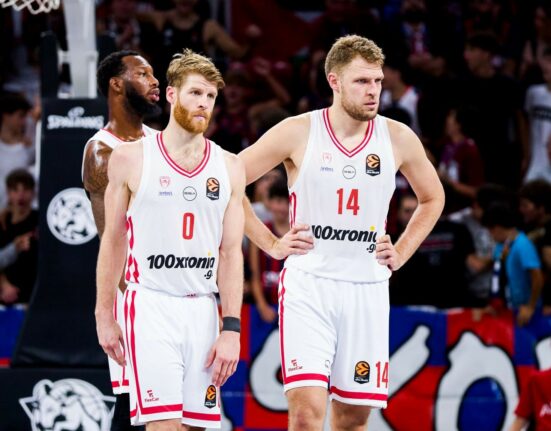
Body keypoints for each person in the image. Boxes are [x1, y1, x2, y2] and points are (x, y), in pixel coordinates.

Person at [239, 35, 445, 430]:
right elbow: (228, 182)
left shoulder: (397, 136)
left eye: (378, 81)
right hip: (309, 285)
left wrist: (402, 251)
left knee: (352, 418)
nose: (373, 91)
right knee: (305, 414)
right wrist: (271, 244)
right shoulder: (298, 131)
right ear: (334, 81)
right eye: (362, 81)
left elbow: (433, 198)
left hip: (366, 287)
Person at [95, 48, 245, 430]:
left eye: (210, 96)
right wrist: (104, 313)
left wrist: (231, 328)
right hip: (150, 305)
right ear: (173, 94)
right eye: (195, 93)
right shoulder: (130, 157)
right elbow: (113, 240)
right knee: (164, 427)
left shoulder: (230, 166)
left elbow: (231, 253)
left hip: (202, 308)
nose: (204, 103)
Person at [82, 50, 160, 431]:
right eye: (143, 74)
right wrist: (122, 311)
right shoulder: (102, 152)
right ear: (117, 84)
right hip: (139, 295)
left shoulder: (161, 141)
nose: (155, 81)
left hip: (178, 285)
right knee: (134, 408)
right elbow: (112, 241)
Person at [482, 203, 544, 327]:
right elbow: (498, 277)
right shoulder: (501, 246)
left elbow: (537, 276)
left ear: (497, 228)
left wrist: (530, 307)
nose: (490, 235)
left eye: (490, 231)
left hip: (528, 313)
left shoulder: (522, 245)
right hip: (511, 308)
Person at [249, 178, 288, 323]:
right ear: (269, 203)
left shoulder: (299, 233)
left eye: (288, 202)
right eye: (278, 201)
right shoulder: (261, 231)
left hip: (291, 308)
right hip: (264, 309)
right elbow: (254, 274)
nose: (283, 207)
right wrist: (262, 305)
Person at [0, 169, 37, 305]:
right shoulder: (3, 222)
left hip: (34, 298)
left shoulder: (40, 220)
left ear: (33, 192)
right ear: (8, 193)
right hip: (5, 300)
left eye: (25, 190)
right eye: (15, 190)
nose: (21, 195)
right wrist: (3, 284)